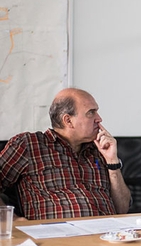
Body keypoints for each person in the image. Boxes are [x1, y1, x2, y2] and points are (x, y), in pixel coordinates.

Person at [0, 88, 131, 220]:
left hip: (107, 234)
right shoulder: (29, 145)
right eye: (91, 113)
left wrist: (112, 162)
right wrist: (11, 220)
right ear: (68, 121)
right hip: (57, 237)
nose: (99, 119)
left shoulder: (100, 149)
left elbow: (122, 209)